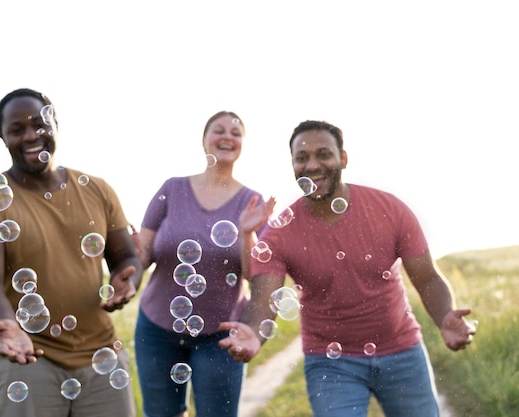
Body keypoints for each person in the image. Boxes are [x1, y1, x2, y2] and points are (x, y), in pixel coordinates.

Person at [219, 120, 476, 417]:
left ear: (343, 158)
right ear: (292, 165)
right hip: (330, 363)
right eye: (302, 158)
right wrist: (253, 331)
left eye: (323, 154)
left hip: (402, 351)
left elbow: (427, 278)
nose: (312, 165)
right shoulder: (281, 232)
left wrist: (444, 316)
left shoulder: (389, 209)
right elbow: (264, 296)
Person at [0, 88, 143, 417]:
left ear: (55, 124)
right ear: (3, 137)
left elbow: (125, 258)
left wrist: (130, 277)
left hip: (100, 355)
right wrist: (7, 326)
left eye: (39, 125)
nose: (31, 136)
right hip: (24, 360)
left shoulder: (96, 189)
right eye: (17, 129)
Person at [132, 111, 275, 417]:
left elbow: (254, 274)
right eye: (218, 130)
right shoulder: (172, 189)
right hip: (156, 329)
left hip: (221, 334)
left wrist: (246, 232)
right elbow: (144, 253)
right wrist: (130, 256)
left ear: (242, 145)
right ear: (204, 140)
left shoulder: (252, 201)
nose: (227, 137)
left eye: (236, 133)